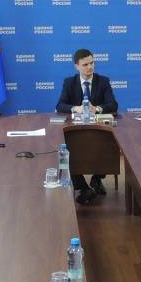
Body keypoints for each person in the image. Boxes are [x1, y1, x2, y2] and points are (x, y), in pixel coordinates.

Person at [55, 49, 120, 202]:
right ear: (76, 66)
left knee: (106, 143)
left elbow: (113, 105)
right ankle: (83, 187)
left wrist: (97, 109)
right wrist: (75, 108)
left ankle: (97, 179)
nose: (90, 67)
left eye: (92, 63)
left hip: (98, 130)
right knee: (69, 149)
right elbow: (60, 105)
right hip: (76, 130)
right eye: (85, 65)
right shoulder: (69, 82)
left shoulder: (103, 81)